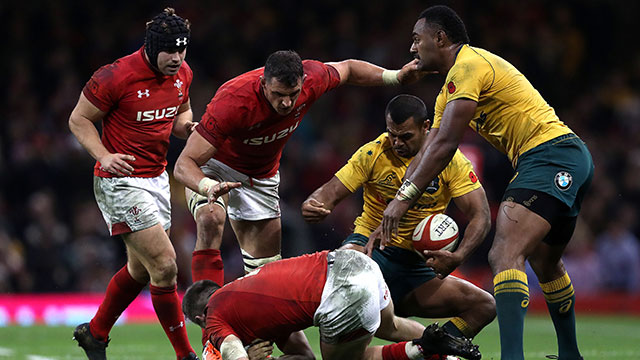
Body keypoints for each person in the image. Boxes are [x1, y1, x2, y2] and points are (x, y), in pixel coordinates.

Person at [379, 6, 594, 360]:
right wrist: (396, 205)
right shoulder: (446, 93)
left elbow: (447, 146)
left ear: (440, 38)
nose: (413, 49)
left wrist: (403, 199)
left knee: (504, 253)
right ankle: (571, 355)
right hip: (565, 157)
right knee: (545, 262)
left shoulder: (468, 66)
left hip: (549, 156)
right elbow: (427, 150)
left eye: (417, 40)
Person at [173, 50, 426, 285]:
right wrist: (209, 187)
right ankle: (209, 317)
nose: (286, 103)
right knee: (210, 218)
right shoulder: (233, 100)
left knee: (265, 277)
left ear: (303, 82)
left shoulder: (313, 78)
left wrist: (396, 76)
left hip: (261, 176)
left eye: (292, 94)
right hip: (217, 165)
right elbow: (184, 164)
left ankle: (251, 326)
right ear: (263, 84)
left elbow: (348, 69)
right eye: (278, 95)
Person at [301, 94, 495, 340]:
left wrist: (458, 257)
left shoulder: (451, 161)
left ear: (426, 127)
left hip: (418, 267)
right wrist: (313, 204)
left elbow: (481, 215)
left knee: (484, 306)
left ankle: (433, 350)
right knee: (347, 258)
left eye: (405, 136)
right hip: (372, 250)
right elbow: (327, 194)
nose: (396, 142)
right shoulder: (373, 153)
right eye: (392, 134)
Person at [68, 8, 202, 360]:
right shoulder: (115, 76)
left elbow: (181, 113)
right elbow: (79, 119)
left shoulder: (183, 73)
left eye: (182, 50)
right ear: (151, 46)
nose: (177, 58)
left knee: (140, 271)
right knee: (166, 265)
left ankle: (95, 334)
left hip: (157, 178)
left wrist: (186, 126)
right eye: (170, 51)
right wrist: (103, 155)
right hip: (119, 180)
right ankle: (185, 354)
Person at [182, 249, 481, 360]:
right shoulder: (245, 291)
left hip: (340, 294)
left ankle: (423, 348)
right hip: (354, 261)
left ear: (200, 317)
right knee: (393, 326)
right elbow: (303, 357)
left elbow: (233, 355)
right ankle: (446, 353)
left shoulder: (215, 317)